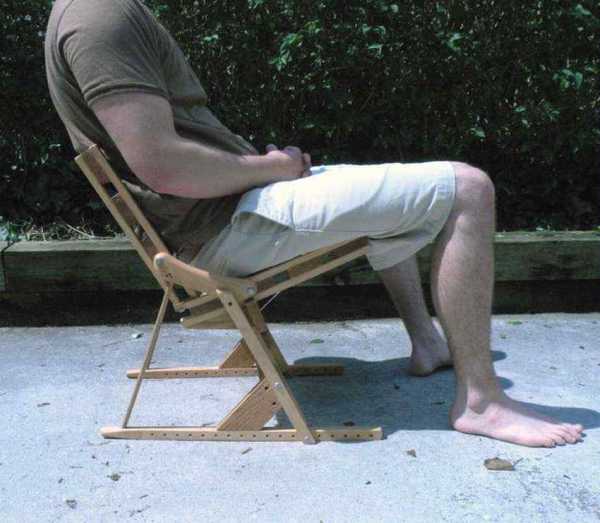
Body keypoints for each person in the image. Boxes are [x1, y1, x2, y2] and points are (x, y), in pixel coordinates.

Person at [45, 0, 583, 447]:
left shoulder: (90, 12)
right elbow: (162, 165)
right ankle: (482, 403)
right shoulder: (100, 17)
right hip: (225, 227)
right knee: (469, 189)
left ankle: (429, 342)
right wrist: (272, 168)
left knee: (389, 193)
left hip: (229, 210)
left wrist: (265, 170)